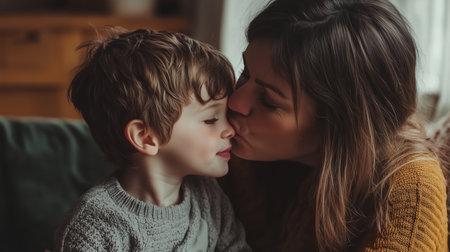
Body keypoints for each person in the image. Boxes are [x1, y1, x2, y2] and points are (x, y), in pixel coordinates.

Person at [219, 0, 448, 251]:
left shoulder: (410, 188)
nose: (236, 101)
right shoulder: (236, 148)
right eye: (245, 72)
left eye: (269, 101)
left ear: (337, 122)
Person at [53, 28, 251, 251]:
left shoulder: (207, 196)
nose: (231, 129)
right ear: (145, 137)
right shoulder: (95, 226)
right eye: (212, 119)